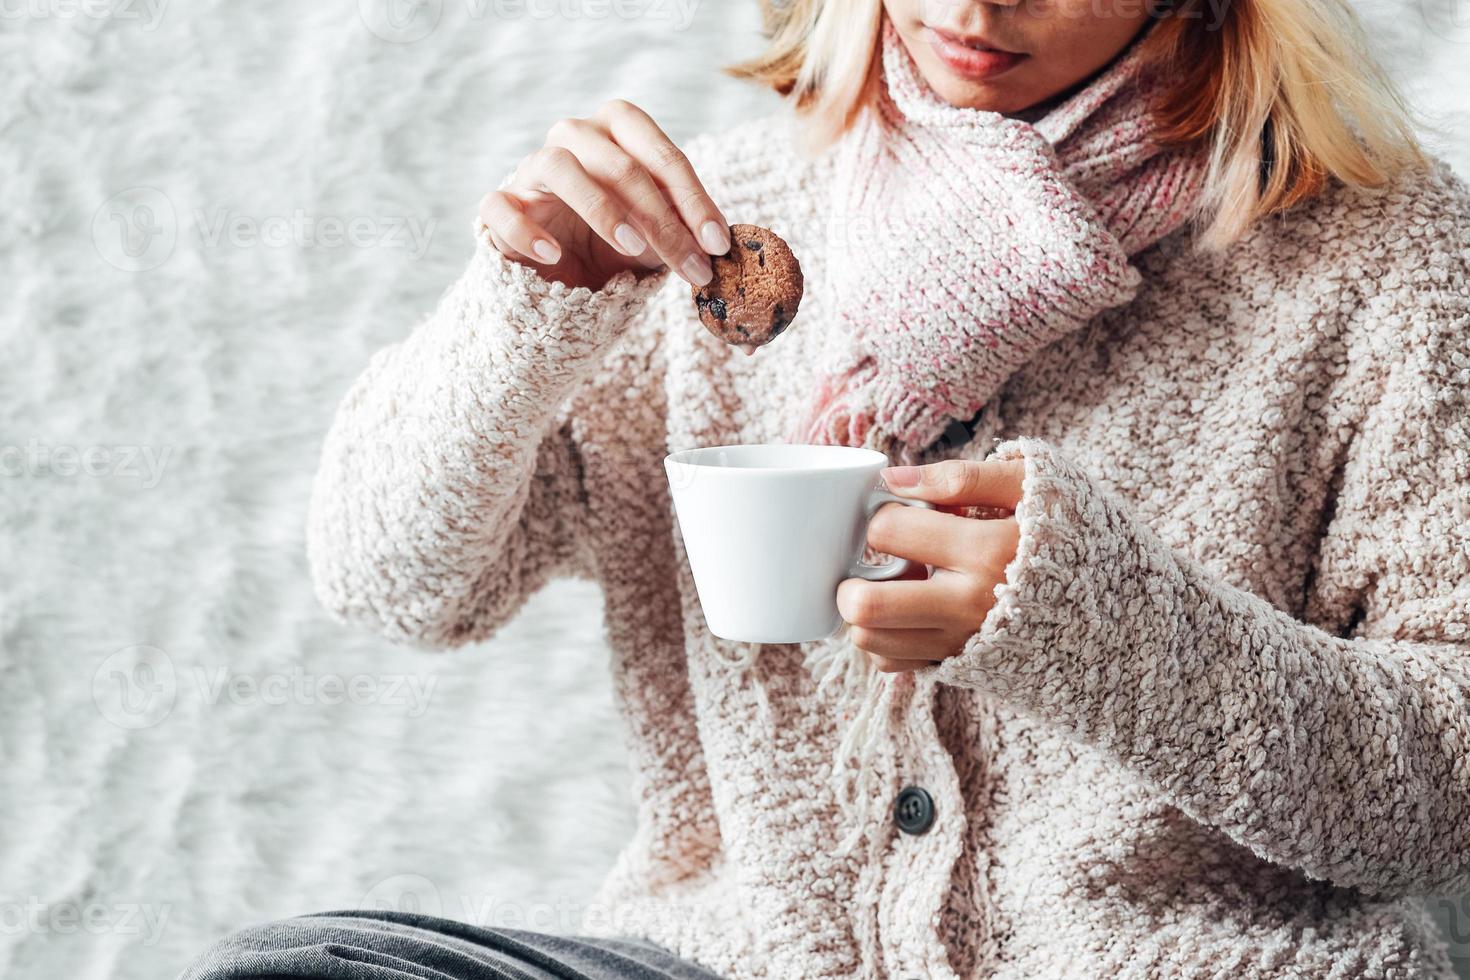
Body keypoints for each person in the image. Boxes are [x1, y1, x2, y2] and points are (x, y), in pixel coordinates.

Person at [182, 0, 1470, 977]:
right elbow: (387, 579)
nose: (974, 3)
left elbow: (1446, 801)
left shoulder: (1382, 255)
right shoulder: (708, 222)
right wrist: (521, 313)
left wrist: (1099, 628)